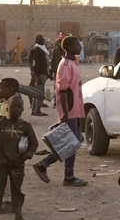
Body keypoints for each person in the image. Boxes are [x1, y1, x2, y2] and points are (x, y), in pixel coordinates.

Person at [32, 37, 88, 187]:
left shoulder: (73, 63)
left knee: (74, 141)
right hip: (70, 110)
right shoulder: (65, 65)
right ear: (69, 47)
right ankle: (65, 174)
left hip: (75, 109)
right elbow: (62, 90)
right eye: (77, 45)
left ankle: (46, 165)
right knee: (72, 143)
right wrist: (65, 113)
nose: (80, 47)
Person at [0, 79, 38, 220]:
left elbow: (34, 144)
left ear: (22, 109)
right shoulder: (0, 124)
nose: (15, 109)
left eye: (18, 106)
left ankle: (18, 216)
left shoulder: (26, 126)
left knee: (17, 190)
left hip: (17, 164)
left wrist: (24, 158)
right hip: (1, 163)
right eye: (13, 106)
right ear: (7, 108)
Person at [28, 34, 50, 116]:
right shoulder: (37, 50)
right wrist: (36, 75)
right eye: (41, 40)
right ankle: (37, 110)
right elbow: (35, 64)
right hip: (39, 74)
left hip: (42, 73)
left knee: (37, 93)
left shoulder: (39, 49)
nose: (43, 41)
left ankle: (35, 110)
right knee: (38, 93)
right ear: (37, 40)